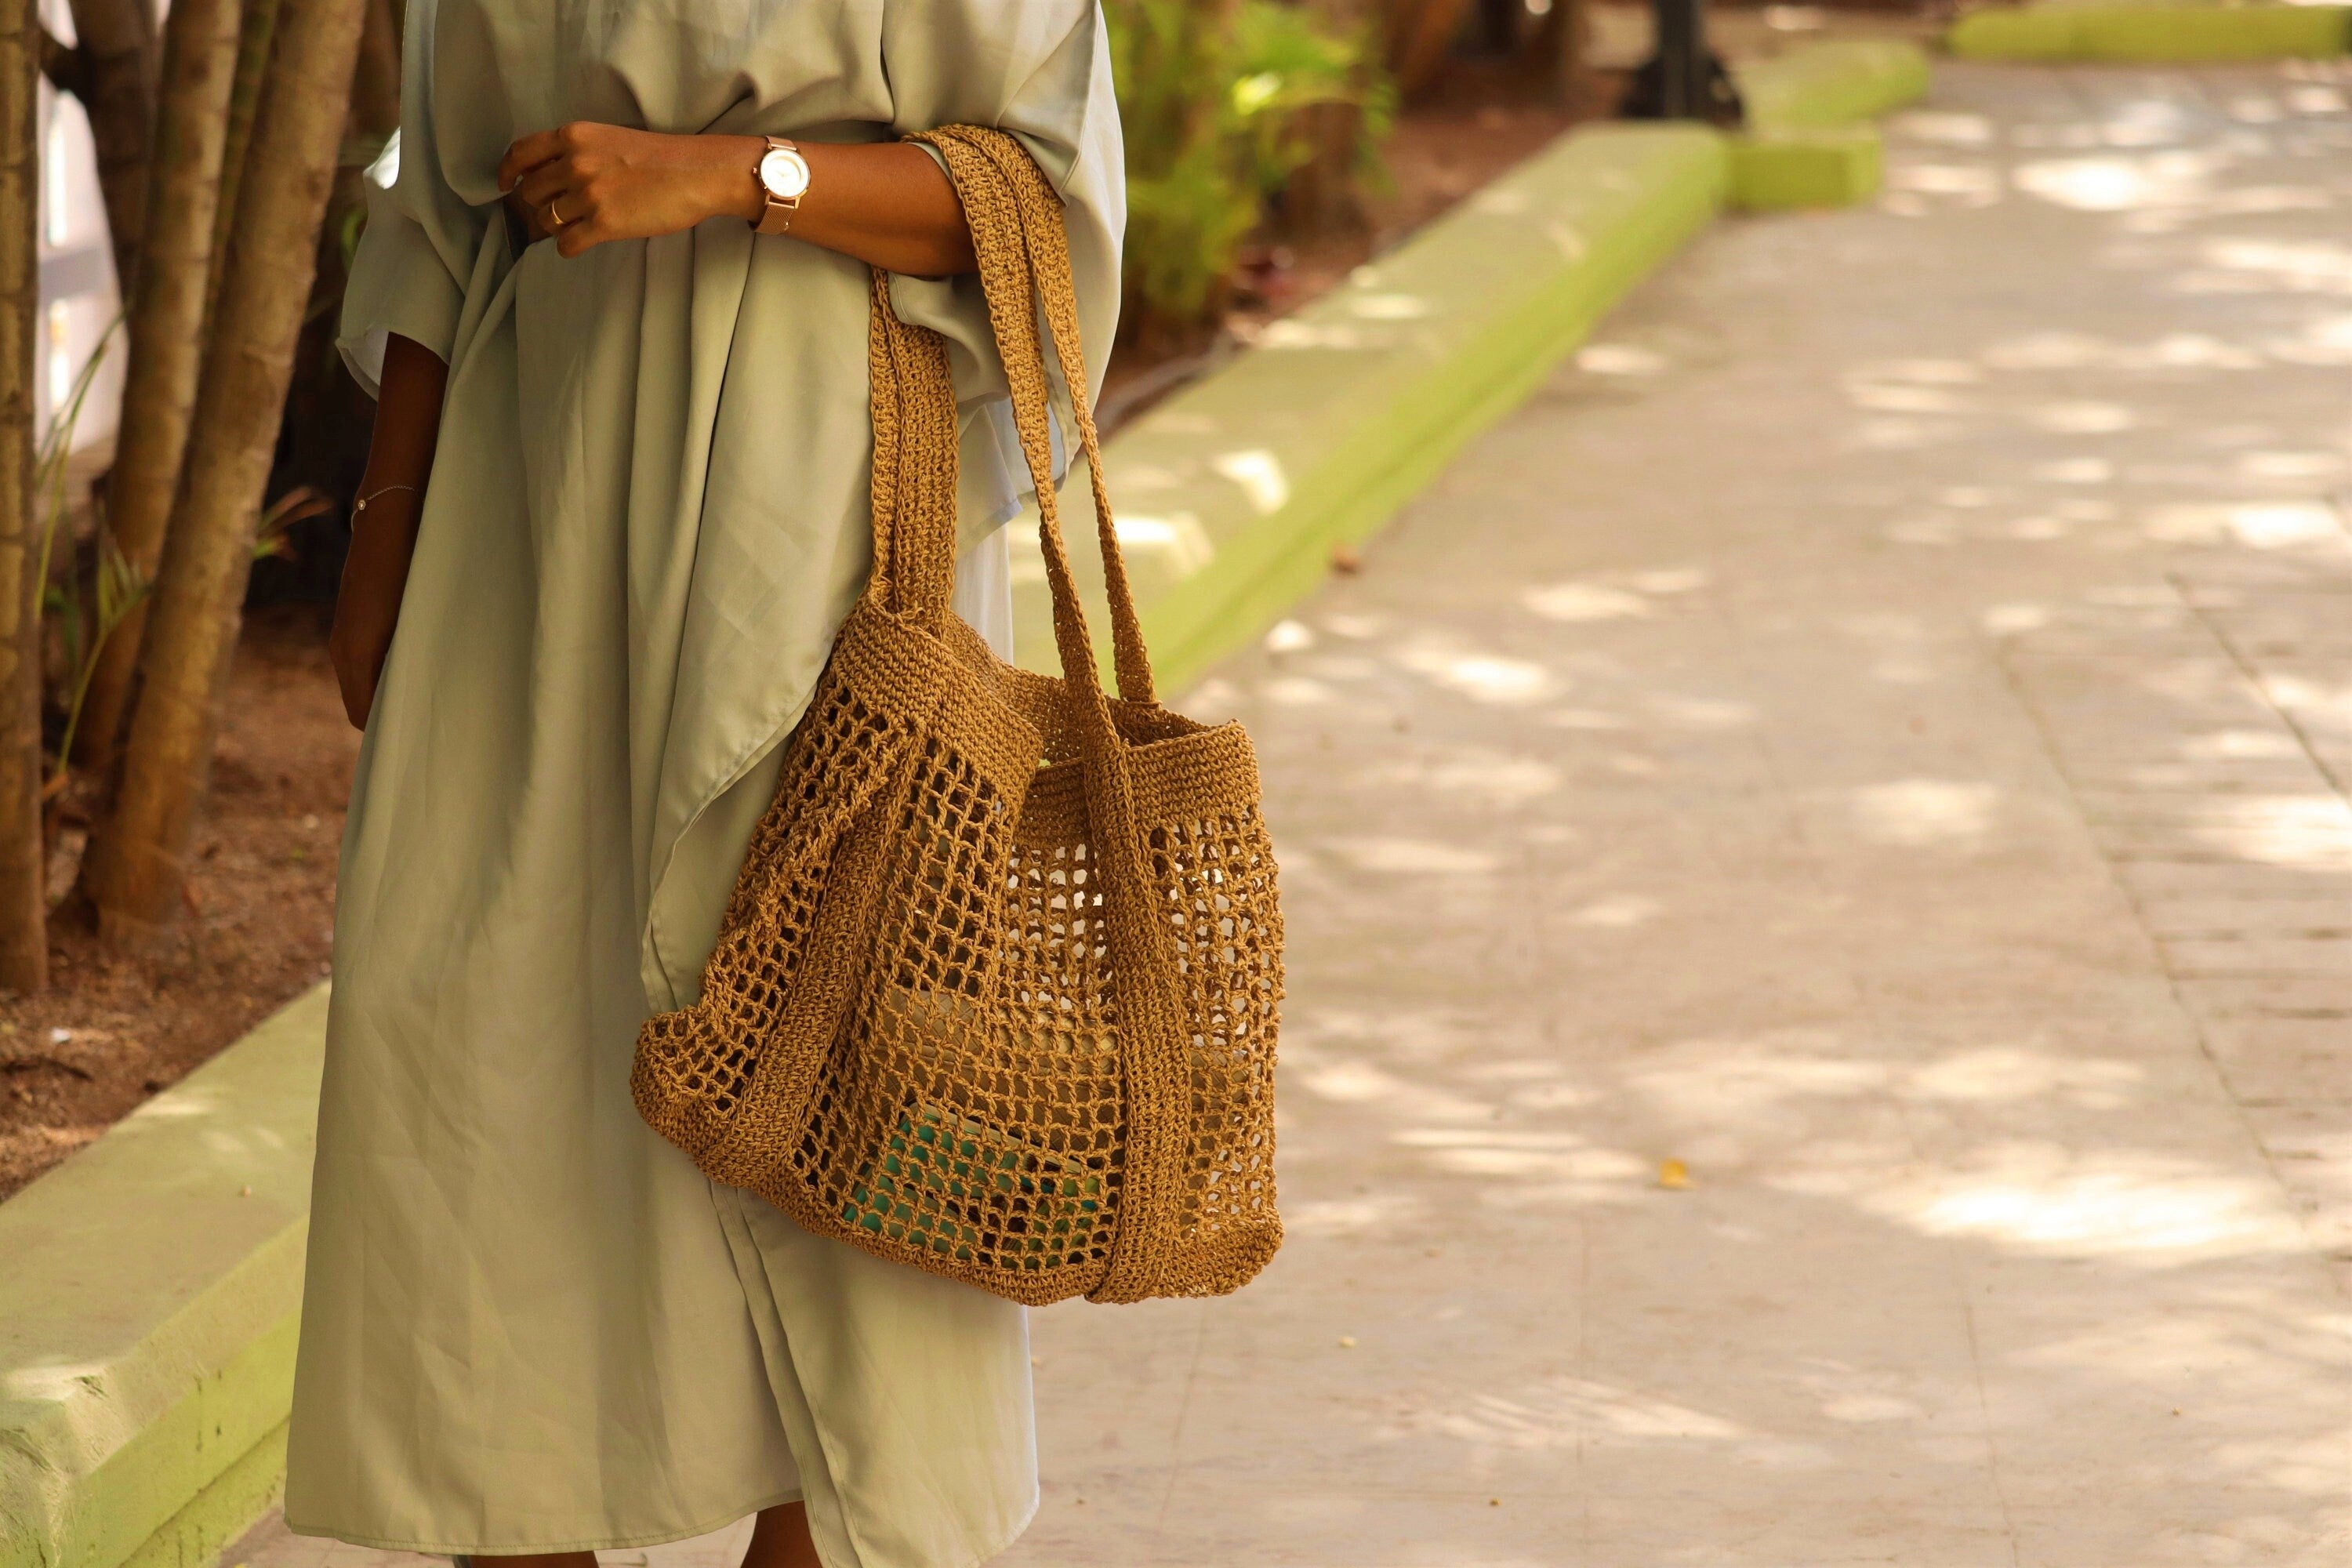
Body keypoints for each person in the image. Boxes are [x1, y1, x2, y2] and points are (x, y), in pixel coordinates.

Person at [284, 5, 1124, 1565]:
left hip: (831, 494)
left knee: (837, 1054)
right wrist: (384, 517)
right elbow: (441, 199)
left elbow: (1038, 194)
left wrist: (739, 177)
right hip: (526, 482)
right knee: (478, 1048)